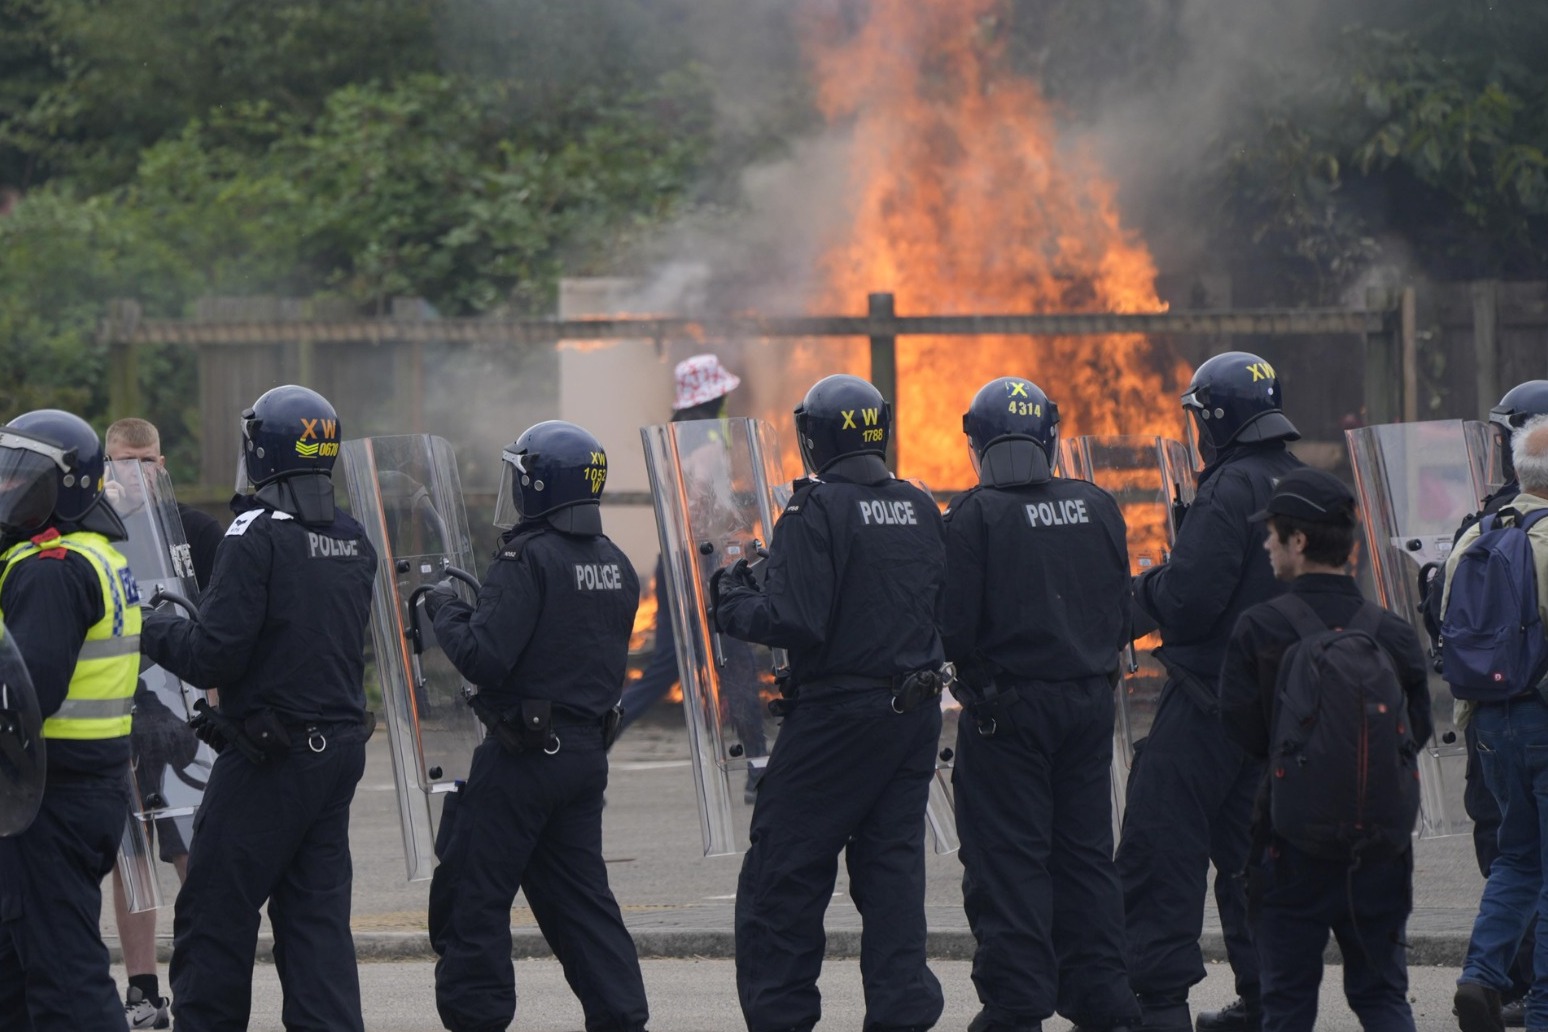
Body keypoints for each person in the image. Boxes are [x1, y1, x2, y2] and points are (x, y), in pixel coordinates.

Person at [138, 385, 377, 1030]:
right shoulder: (352, 535)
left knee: (215, 911)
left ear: (263, 450)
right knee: (315, 921)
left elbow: (213, 656)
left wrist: (152, 624)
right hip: (336, 753)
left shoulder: (255, 532)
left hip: (272, 757)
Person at [714, 373, 947, 1032]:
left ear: (814, 437)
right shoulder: (919, 504)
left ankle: (782, 1017)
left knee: (784, 871)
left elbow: (796, 620)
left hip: (837, 718)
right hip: (913, 716)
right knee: (891, 874)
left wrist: (731, 599)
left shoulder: (813, 509)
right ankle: (902, 1016)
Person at [425, 420, 650, 1032]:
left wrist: (445, 610)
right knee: (582, 905)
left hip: (521, 760)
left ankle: (477, 1018)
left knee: (473, 897)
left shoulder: (525, 558)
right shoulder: (615, 562)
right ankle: (622, 1019)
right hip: (583, 757)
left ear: (541, 485)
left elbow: (485, 657)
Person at [943, 377, 1141, 1032]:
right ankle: (1104, 1000)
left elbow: (953, 629)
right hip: (1089, 708)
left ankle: (1017, 1005)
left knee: (1008, 863)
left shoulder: (972, 517)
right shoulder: (1098, 504)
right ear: (1049, 436)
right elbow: (1121, 609)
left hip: (1007, 718)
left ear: (977, 442)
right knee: (1085, 858)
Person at [1117, 350, 1304, 1032]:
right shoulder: (1301, 481)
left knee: (1160, 844)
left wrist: (1139, 592)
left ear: (1218, 419)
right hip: (1278, 706)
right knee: (1251, 859)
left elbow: (1190, 601)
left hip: (1209, 703)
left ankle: (1160, 1002)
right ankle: (1267, 1001)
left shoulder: (1229, 489)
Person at [1218, 468, 1431, 1032]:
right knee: (1382, 996)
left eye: (1273, 534)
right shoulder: (1392, 632)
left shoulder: (1259, 628)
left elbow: (1243, 732)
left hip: (1289, 844)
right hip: (1379, 849)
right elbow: (1416, 730)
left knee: (1287, 1004)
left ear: (1299, 541)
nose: (1267, 544)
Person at [0, 409, 142, 1030]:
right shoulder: (93, 554)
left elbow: (25, 694)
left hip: (48, 797)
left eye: (20, 476)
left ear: (64, 485)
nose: (6, 486)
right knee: (17, 978)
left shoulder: (49, 570)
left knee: (67, 986)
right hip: (80, 787)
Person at [1422, 380, 1548, 1028]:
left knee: (1516, 859)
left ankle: (1482, 977)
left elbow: (1442, 624)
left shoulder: (1476, 533)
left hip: (1490, 726)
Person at [104, 416, 226, 1029]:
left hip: (184, 714)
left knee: (193, 853)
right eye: (122, 462)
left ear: (162, 464)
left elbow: (225, 624)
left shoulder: (194, 532)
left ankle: (206, 981)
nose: (135, 474)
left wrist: (219, 707)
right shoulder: (92, 530)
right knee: (130, 859)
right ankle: (143, 991)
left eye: (145, 461)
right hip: (114, 711)